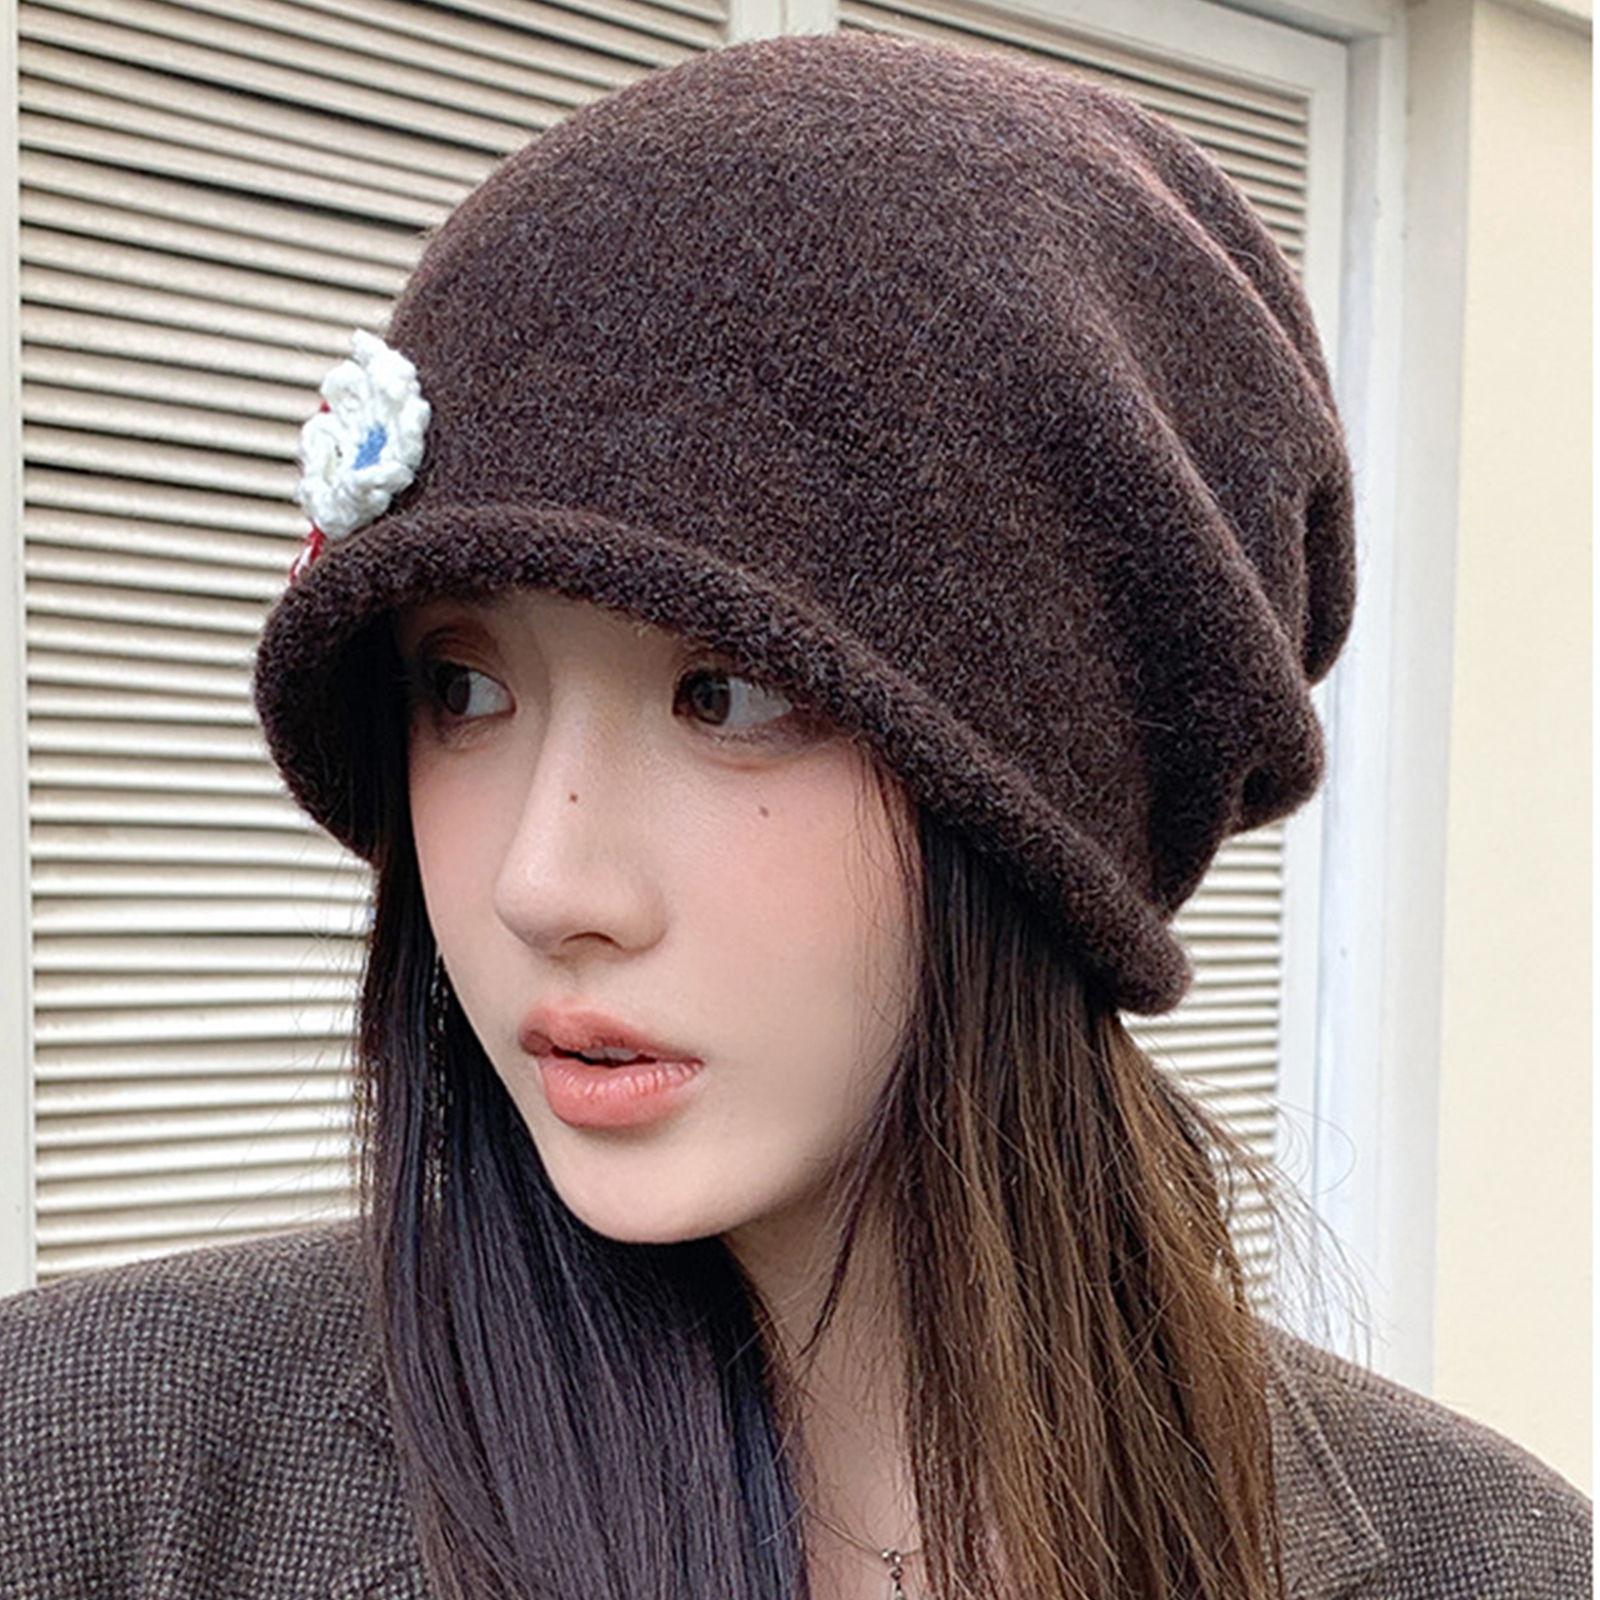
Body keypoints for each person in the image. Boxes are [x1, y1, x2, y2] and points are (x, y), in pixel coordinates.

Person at [0, 31, 1589, 1600]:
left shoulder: (1498, 1561)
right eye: (462, 686)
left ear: (1048, 807)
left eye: (727, 694)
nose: (543, 883)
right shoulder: (93, 1468)